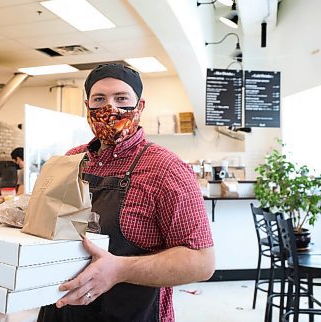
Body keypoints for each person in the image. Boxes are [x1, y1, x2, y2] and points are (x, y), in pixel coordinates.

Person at [37, 64, 215, 321]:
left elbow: (202, 262)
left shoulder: (166, 169)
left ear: (139, 106)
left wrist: (120, 269)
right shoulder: (71, 160)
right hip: (64, 310)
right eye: (99, 99)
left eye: (121, 98)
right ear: (87, 106)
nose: (109, 108)